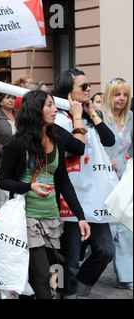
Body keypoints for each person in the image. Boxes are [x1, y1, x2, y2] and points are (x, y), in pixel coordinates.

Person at [0, 90, 91, 299]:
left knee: (53, 274)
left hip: (52, 219)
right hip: (27, 219)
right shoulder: (17, 143)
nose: (55, 109)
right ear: (35, 110)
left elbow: (64, 182)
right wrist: (29, 187)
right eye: (49, 105)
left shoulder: (56, 139)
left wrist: (80, 216)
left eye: (53, 105)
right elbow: (3, 181)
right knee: (42, 276)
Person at [54, 68, 116, 299]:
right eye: (83, 87)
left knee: (106, 250)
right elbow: (75, 148)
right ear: (68, 93)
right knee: (69, 260)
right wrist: (77, 116)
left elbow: (109, 140)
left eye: (89, 85)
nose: (89, 89)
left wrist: (92, 113)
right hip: (70, 200)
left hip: (94, 198)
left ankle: (78, 289)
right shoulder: (59, 119)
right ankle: (66, 293)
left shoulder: (90, 116)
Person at [100, 78, 133, 290]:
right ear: (109, 96)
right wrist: (105, 159)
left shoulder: (131, 118)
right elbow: (90, 147)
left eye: (125, 95)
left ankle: (126, 276)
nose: (121, 99)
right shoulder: (99, 117)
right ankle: (79, 269)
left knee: (126, 229)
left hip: (125, 183)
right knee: (105, 233)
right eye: (117, 94)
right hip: (103, 182)